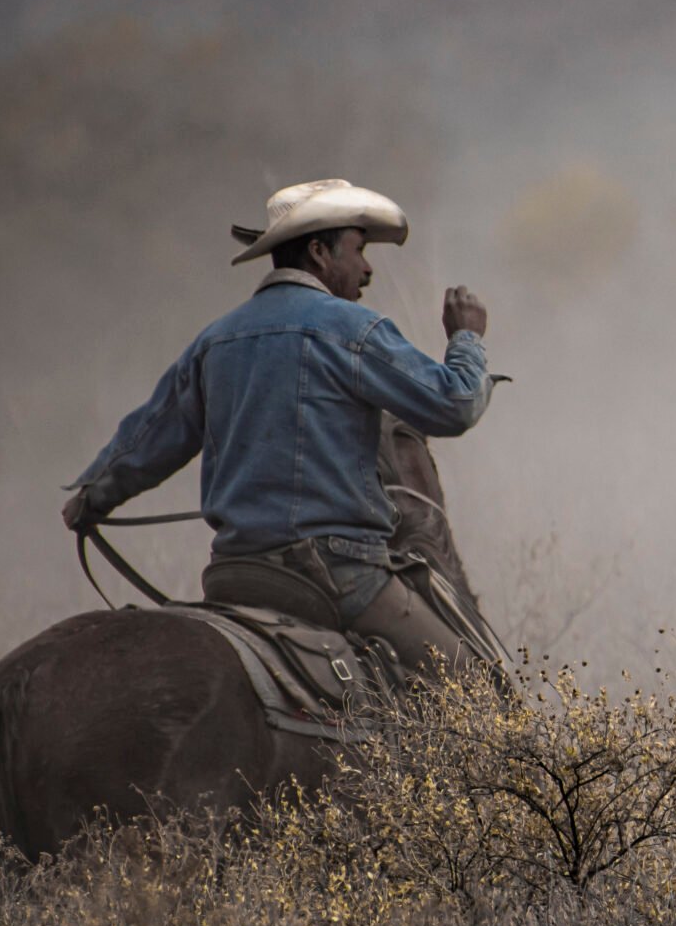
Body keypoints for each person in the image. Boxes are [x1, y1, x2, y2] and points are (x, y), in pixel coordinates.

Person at [61, 179, 498, 677]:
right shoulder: (354, 331)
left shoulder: (214, 342)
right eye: (358, 250)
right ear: (318, 252)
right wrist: (466, 337)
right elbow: (456, 404)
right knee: (479, 691)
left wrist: (92, 498)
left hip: (235, 575)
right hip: (339, 575)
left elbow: (148, 441)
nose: (369, 268)